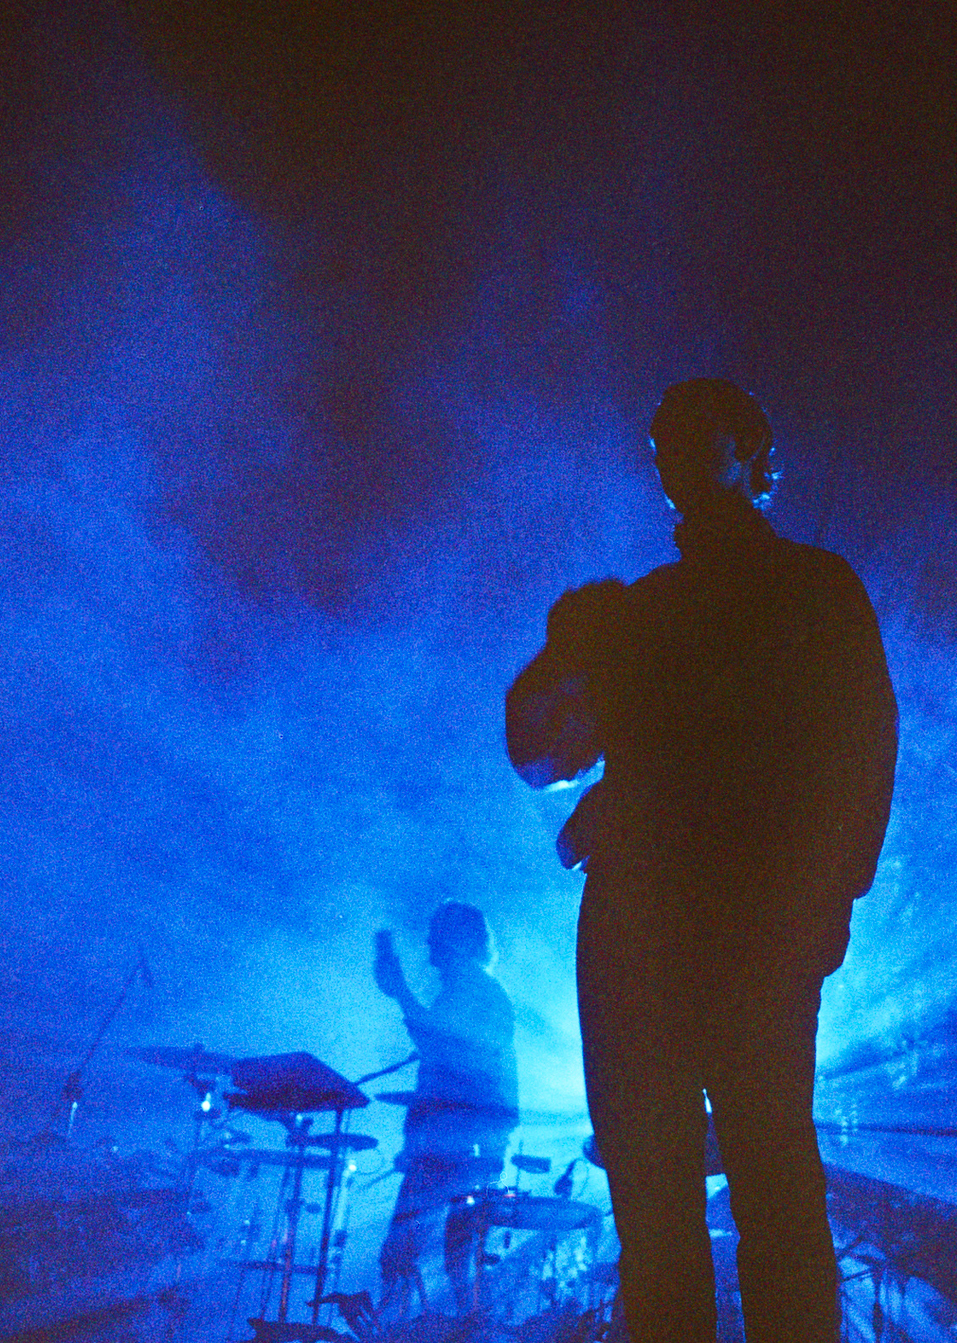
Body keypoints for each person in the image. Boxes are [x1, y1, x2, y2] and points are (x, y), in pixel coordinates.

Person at [507, 379, 897, 1343]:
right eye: (662, 443)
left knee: (760, 1196)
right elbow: (538, 752)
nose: (672, 455)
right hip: (656, 937)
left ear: (750, 448)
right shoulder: (645, 611)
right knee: (681, 1211)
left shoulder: (810, 587)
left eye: (695, 436)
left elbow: (864, 749)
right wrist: (567, 650)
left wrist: (826, 905)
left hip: (735, 932)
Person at [373, 902, 518, 1316]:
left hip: (459, 1144)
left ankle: (424, 1331)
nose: (429, 943)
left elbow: (441, 1052)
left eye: (437, 934)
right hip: (457, 1143)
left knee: (428, 1257)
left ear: (460, 940)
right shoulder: (469, 991)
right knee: (449, 1260)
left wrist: (401, 992)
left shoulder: (477, 993)